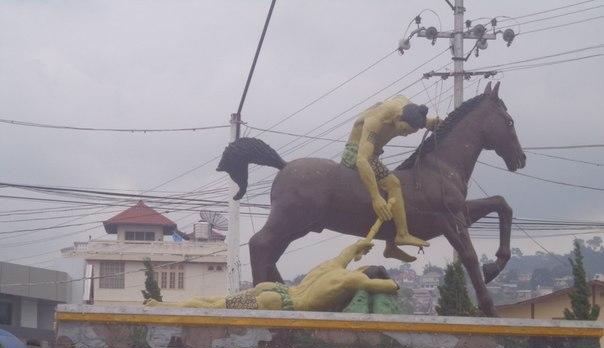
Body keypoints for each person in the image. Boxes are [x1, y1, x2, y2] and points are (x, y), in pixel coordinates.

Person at [144, 239, 398, 312]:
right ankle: (165, 307)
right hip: (282, 303)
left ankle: (167, 305)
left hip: (278, 291)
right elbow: (377, 286)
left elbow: (346, 252)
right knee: (217, 306)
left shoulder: (335, 267)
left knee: (217, 303)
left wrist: (358, 247)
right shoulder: (354, 280)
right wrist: (393, 284)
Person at [341, 96, 440, 262]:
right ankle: (402, 235)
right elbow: (362, 160)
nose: (406, 135)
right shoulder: (375, 121)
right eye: (405, 130)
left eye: (410, 133)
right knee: (393, 184)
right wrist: (375, 197)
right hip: (357, 153)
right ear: (398, 118)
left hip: (373, 154)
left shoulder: (408, 110)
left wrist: (429, 122)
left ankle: (391, 246)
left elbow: (419, 120)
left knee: (393, 195)